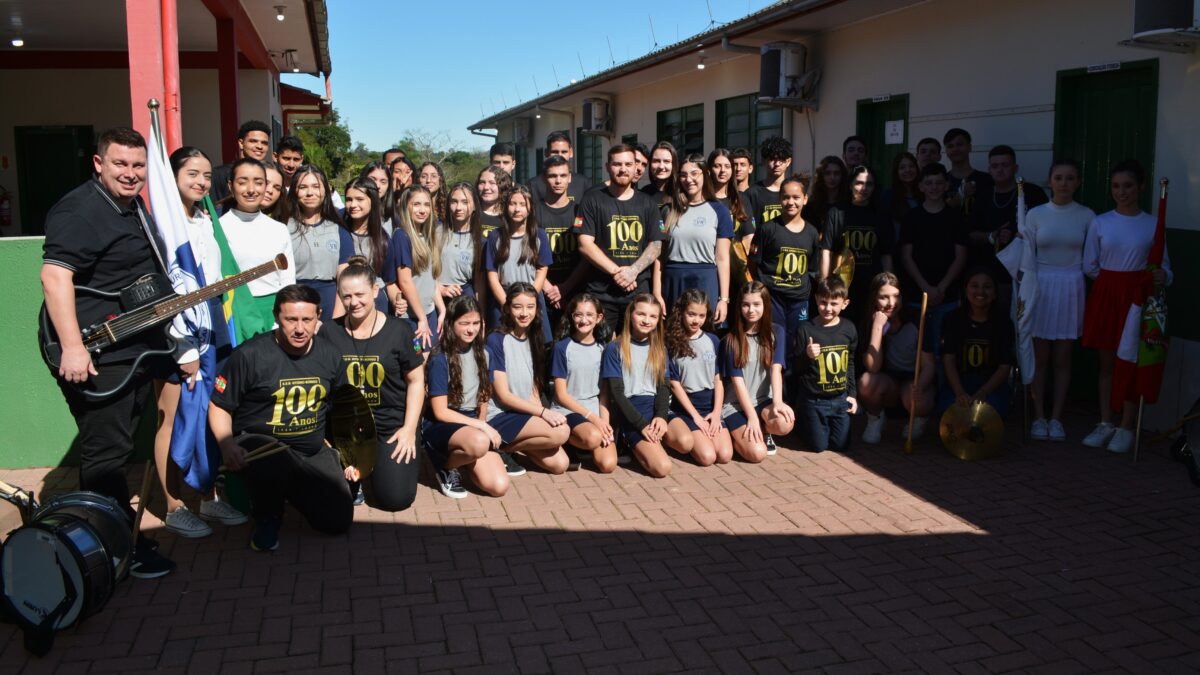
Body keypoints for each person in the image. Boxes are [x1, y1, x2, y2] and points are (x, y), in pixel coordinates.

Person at [41, 127, 177, 577]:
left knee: (116, 448)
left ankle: (106, 541)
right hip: (97, 353)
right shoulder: (80, 210)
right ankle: (110, 552)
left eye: (138, 165)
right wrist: (74, 347)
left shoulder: (130, 205)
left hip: (130, 351)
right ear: (98, 164)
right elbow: (55, 277)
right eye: (120, 164)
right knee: (104, 456)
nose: (131, 173)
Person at [209, 285, 352, 551]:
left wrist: (348, 456)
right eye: (291, 319)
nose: (300, 328)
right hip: (262, 445)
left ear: (318, 316)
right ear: (276, 317)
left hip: (310, 448)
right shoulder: (249, 355)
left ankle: (291, 490)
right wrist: (227, 445)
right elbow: (219, 406)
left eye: (307, 320)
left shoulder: (330, 355)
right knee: (273, 459)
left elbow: (341, 409)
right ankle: (267, 516)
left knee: (337, 520)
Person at [154, 146, 246, 539]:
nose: (201, 181)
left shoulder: (206, 218)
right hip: (177, 328)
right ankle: (173, 505)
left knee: (209, 408)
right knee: (172, 416)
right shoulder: (163, 227)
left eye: (207, 175)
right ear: (172, 176)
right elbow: (165, 288)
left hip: (211, 319)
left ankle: (206, 495)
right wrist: (182, 345)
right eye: (192, 173)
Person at [1081, 159, 1172, 454]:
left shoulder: (1152, 224)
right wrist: (1112, 283)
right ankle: (1106, 421)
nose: (1122, 192)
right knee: (1107, 364)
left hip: (1137, 301)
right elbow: (1090, 265)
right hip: (1107, 295)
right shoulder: (1101, 222)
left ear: (1141, 188)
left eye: (1128, 186)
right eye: (1116, 186)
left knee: (1131, 362)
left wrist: (1160, 276)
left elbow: (1165, 267)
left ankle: (1126, 425)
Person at [320, 260, 425, 511]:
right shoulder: (328, 333)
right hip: (347, 431)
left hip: (390, 426)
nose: (353, 302)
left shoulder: (400, 331)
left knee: (395, 500)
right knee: (332, 498)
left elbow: (417, 380)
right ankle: (356, 471)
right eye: (346, 296)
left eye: (360, 294)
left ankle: (376, 469)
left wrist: (409, 429)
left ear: (376, 291)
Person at [1026, 160, 1094, 442]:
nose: (1064, 183)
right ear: (1050, 181)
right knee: (1040, 357)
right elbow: (1027, 257)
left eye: (1070, 178)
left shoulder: (1088, 216)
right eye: (1058, 177)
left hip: (1071, 287)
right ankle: (1038, 415)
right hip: (1041, 285)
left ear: (1077, 182)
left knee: (1063, 358)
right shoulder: (1035, 214)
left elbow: (1092, 259)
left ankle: (1056, 417)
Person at [574, 144, 665, 335]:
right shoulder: (592, 199)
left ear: (635, 167)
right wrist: (618, 272)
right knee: (599, 349)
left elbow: (656, 245)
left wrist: (633, 271)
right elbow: (584, 244)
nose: (623, 169)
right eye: (617, 164)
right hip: (601, 293)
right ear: (607, 167)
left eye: (628, 164)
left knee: (635, 352)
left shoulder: (648, 203)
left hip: (638, 294)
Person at [424, 295, 508, 498]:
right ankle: (446, 466)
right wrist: (482, 427)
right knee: (479, 442)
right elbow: (440, 411)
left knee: (499, 487)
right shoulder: (439, 358)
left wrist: (480, 423)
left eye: (476, 323)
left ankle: (467, 456)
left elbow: (484, 397)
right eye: (464, 323)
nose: (471, 329)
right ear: (451, 324)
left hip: (471, 425)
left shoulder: (485, 353)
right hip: (442, 423)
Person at [485, 283, 572, 475]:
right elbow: (503, 396)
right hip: (499, 414)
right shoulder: (496, 339)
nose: (525, 313)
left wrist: (540, 413)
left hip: (522, 412)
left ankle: (505, 446)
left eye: (530, 307)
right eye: (518, 307)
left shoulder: (534, 336)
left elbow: (533, 386)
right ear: (507, 308)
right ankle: (495, 445)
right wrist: (543, 413)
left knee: (560, 464)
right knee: (561, 432)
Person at [601, 294, 686, 477]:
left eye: (653, 316)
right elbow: (616, 393)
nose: (646, 320)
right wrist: (641, 425)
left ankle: (655, 441)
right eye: (641, 314)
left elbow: (664, 386)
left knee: (686, 443)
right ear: (631, 314)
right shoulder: (614, 348)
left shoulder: (659, 348)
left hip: (655, 406)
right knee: (662, 468)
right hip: (631, 411)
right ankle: (630, 442)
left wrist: (661, 416)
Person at [748, 175, 829, 355]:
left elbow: (812, 269)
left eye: (796, 197)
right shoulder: (767, 229)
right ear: (779, 199)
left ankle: (791, 380)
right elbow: (753, 263)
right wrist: (761, 288)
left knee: (797, 343)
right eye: (785, 197)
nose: (790, 202)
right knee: (773, 341)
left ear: (805, 199)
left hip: (799, 299)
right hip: (773, 297)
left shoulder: (812, 233)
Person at [218, 158, 297, 336]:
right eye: (242, 182)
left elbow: (287, 279)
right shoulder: (217, 229)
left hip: (273, 312)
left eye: (259, 182)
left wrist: (282, 317)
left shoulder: (279, 229)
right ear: (231, 186)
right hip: (235, 311)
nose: (251, 189)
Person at [857, 272, 936, 443]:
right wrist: (877, 328)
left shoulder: (918, 319)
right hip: (888, 384)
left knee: (919, 401)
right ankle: (876, 418)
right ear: (874, 299)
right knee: (865, 382)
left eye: (896, 296)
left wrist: (920, 386)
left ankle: (918, 419)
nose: (891, 303)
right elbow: (873, 367)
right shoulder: (869, 322)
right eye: (884, 297)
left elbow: (929, 364)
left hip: (913, 381)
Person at [654, 154, 733, 322]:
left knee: (703, 335)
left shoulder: (720, 212)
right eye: (683, 175)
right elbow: (659, 256)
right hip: (674, 279)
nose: (688, 179)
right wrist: (656, 294)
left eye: (694, 173)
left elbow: (722, 258)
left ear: (705, 175)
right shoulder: (668, 210)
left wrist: (724, 299)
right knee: (673, 335)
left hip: (705, 278)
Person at [899, 162, 968, 351]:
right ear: (921, 186)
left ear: (946, 186)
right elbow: (906, 256)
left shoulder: (956, 218)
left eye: (939, 183)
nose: (934, 188)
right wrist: (925, 288)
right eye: (929, 183)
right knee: (919, 348)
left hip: (948, 295)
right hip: (917, 294)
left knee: (944, 348)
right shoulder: (912, 217)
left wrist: (941, 288)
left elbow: (960, 256)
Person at [721, 282, 794, 459]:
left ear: (765, 305)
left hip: (763, 401)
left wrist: (777, 402)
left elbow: (776, 370)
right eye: (746, 304)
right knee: (757, 454)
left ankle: (763, 429)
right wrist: (751, 416)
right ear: (739, 307)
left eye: (756, 304)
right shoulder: (731, 340)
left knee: (784, 423)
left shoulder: (777, 332)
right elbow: (737, 383)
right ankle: (740, 432)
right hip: (737, 404)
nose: (751, 310)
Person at [932, 267, 1014, 418]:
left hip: (991, 386)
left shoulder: (1003, 323)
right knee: (951, 413)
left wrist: (983, 392)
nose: (980, 292)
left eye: (987, 287)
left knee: (988, 414)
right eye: (974, 286)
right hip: (959, 383)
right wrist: (960, 392)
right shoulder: (951, 320)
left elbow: (1004, 367)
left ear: (995, 292)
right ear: (965, 290)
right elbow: (948, 359)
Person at [969, 145, 1047, 297]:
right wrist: (992, 236)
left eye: (1005, 165)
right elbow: (970, 234)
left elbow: (1046, 230)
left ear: (1015, 167)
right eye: (995, 166)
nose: (1000, 170)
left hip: (1027, 273)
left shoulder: (1033, 193)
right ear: (989, 169)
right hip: (990, 277)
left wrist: (1019, 237)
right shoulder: (982, 197)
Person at [665, 290, 732, 466]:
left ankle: (704, 434)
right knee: (707, 457)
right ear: (682, 313)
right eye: (691, 314)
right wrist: (695, 417)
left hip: (710, 406)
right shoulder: (670, 343)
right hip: (687, 408)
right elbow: (674, 384)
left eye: (701, 315)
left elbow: (718, 380)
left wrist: (717, 414)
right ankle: (675, 436)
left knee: (724, 456)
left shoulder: (713, 340)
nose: (696, 320)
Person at [550, 294, 615, 472]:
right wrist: (594, 420)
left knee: (607, 465)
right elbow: (561, 395)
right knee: (593, 437)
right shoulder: (562, 347)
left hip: (594, 408)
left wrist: (605, 423)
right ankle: (569, 442)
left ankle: (582, 443)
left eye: (589, 315)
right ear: (572, 317)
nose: (584, 320)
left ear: (599, 318)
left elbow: (604, 393)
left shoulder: (604, 348)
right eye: (578, 315)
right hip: (568, 408)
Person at [823, 165, 893, 323]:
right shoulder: (836, 212)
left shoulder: (881, 214)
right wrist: (825, 282)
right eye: (859, 183)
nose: (864, 188)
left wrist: (890, 284)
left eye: (869, 184)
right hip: (843, 286)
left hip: (873, 285)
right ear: (850, 185)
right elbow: (827, 250)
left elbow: (886, 254)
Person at [796, 277, 858, 453]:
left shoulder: (849, 329)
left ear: (845, 304)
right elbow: (796, 368)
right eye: (823, 302)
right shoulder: (806, 329)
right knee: (819, 447)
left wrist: (852, 394)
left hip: (839, 399)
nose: (828, 308)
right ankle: (804, 422)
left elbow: (850, 363)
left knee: (841, 445)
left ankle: (824, 425)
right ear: (816, 299)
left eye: (834, 303)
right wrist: (807, 355)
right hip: (814, 399)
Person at [484, 184, 553, 341]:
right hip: (503, 299)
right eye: (512, 204)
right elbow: (492, 274)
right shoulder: (495, 236)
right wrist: (507, 304)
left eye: (522, 204)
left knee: (536, 347)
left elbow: (542, 270)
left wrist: (529, 300)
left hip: (532, 298)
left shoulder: (539, 236)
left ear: (530, 208)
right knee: (503, 345)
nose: (517, 209)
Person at [387, 186, 444, 351]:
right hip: (411, 319)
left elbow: (430, 280)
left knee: (428, 360)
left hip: (429, 314)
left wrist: (442, 310)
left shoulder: (427, 235)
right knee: (417, 359)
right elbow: (405, 281)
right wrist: (422, 319)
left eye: (426, 205)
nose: (422, 210)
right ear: (406, 207)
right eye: (416, 204)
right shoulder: (402, 236)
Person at [282, 165, 343, 317]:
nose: (310, 193)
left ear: (326, 190)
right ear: (295, 191)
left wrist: (336, 318)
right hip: (294, 302)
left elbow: (344, 274)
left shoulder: (339, 227)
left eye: (316, 186)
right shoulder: (283, 227)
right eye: (303, 187)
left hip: (331, 302)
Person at [536, 155, 588, 327]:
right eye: (552, 176)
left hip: (575, 289)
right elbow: (528, 254)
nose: (558, 181)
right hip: (543, 290)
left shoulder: (580, 210)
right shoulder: (533, 212)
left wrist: (566, 288)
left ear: (570, 178)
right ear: (544, 178)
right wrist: (550, 289)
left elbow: (587, 255)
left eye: (563, 175)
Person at [335, 177, 391, 315]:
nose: (353, 204)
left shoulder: (382, 238)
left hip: (375, 305)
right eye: (348, 199)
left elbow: (389, 280)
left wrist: (397, 300)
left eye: (360, 199)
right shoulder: (336, 231)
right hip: (344, 302)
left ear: (372, 200)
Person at [435, 182, 484, 302]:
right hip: (436, 295)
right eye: (454, 202)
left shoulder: (480, 240)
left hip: (465, 297)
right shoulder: (436, 232)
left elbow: (479, 285)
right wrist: (439, 288)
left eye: (465, 202)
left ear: (474, 206)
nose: (458, 208)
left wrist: (481, 313)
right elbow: (424, 271)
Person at [210, 120, 271, 203]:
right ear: (241, 143)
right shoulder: (219, 174)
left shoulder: (270, 174)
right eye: (253, 141)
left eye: (264, 143)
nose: (259, 146)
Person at [530, 131, 592, 203]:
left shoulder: (583, 183)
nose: (560, 155)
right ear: (546, 153)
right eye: (555, 152)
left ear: (571, 152)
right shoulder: (533, 186)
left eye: (564, 152)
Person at [744, 136, 792, 226]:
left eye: (781, 159)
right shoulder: (752, 193)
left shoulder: (795, 192)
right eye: (772, 159)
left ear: (788, 161)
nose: (777, 164)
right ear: (763, 161)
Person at [942, 128, 992, 214]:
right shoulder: (940, 181)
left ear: (970, 147)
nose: (955, 149)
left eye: (959, 144)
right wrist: (961, 194)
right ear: (946, 151)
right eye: (950, 146)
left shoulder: (987, 179)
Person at [802, 155, 849, 238]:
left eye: (836, 173)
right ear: (821, 176)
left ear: (842, 176)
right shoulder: (811, 206)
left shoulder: (848, 203)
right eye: (827, 173)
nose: (832, 177)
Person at [476, 165, 512, 236]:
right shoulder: (471, 214)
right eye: (482, 182)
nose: (486, 187)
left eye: (492, 183)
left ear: (503, 186)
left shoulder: (510, 217)